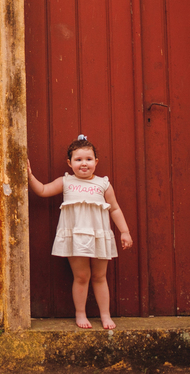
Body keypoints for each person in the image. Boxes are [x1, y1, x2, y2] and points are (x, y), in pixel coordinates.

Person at [27, 134, 133, 330]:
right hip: (76, 238)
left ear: (96, 161)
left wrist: (124, 231)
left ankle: (105, 315)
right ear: (70, 163)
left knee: (100, 276)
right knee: (82, 276)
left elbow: (115, 208)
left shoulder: (103, 184)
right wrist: (29, 175)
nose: (84, 164)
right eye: (78, 160)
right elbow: (42, 190)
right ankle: (80, 313)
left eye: (88, 159)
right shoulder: (65, 182)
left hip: (99, 236)